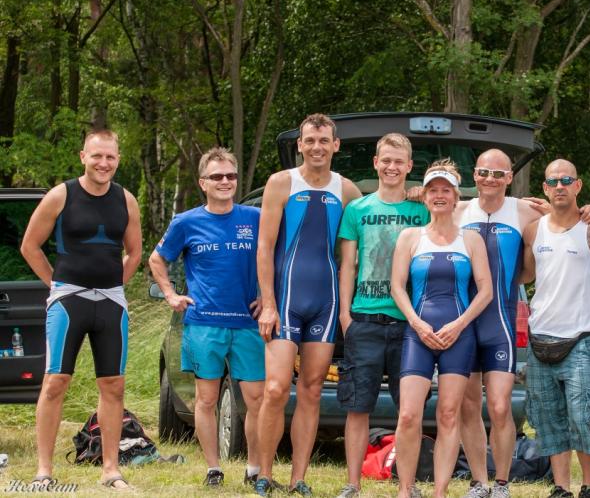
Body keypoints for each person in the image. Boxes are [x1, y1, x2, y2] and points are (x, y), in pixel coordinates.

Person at [456, 149, 590, 498]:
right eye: (484, 172)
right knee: (468, 405)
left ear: (510, 178)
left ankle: (502, 483)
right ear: (474, 175)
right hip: (464, 321)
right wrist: (415, 191)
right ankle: (479, 482)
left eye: (498, 173)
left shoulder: (524, 211)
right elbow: (428, 215)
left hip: (502, 320)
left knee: (500, 406)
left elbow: (564, 220)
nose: (490, 179)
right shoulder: (458, 210)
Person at [20, 130, 142, 491]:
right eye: (97, 156)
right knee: (55, 382)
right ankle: (44, 469)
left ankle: (110, 469)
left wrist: (114, 285)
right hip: (68, 300)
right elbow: (30, 246)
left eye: (110, 157)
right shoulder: (62, 195)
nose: (103, 163)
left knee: (113, 386)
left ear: (118, 160)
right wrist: (55, 285)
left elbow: (135, 252)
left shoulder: (126, 199)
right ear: (83, 156)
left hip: (111, 303)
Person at [255, 113, 362, 496]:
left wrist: (416, 197)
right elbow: (265, 246)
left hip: (325, 302)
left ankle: (298, 478)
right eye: (310, 141)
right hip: (285, 300)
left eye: (324, 141)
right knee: (275, 388)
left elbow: (375, 220)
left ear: (335, 145)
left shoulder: (346, 190)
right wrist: (268, 303)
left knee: (313, 389)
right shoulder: (281, 183)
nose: (317, 147)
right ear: (300, 145)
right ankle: (264, 473)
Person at [149, 147, 264, 488]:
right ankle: (214, 469)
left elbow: (277, 257)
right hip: (204, 323)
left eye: (231, 175)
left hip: (248, 323)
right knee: (206, 399)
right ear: (203, 183)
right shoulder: (185, 222)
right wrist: (170, 294)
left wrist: (268, 297)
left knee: (256, 401)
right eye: (217, 176)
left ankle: (254, 468)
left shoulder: (254, 218)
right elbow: (157, 259)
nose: (225, 181)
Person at [334, 133, 429, 498]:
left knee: (410, 410)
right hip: (365, 321)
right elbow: (347, 265)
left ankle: (408, 485)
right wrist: (346, 316)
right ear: (376, 163)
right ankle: (353, 484)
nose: (391, 167)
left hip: (409, 325)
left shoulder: (422, 210)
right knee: (358, 408)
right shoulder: (357, 210)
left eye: (398, 161)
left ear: (409, 166)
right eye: (385, 160)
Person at [391, 160, 493, 498]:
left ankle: (439, 491)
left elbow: (486, 290)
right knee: (408, 415)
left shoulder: (471, 239)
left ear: (455, 197)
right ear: (425, 197)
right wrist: (416, 323)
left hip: (458, 336)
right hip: (418, 334)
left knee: (449, 414)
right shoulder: (411, 237)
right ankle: (406, 489)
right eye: (433, 190)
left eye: (445, 190)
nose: (439, 195)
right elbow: (397, 287)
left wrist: (459, 325)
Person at [521, 160, 590, 498]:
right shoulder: (534, 231)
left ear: (578, 185)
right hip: (539, 337)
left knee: (584, 415)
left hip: (579, 339)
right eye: (553, 181)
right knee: (548, 419)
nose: (560, 186)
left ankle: (589, 487)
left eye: (566, 180)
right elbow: (527, 275)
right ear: (545, 188)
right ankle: (561, 488)